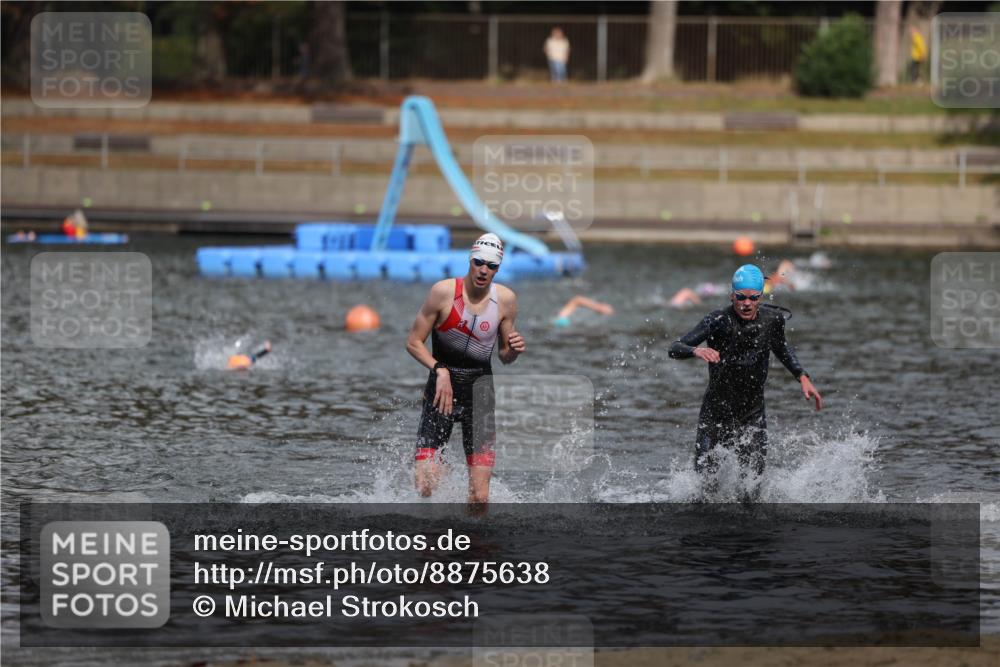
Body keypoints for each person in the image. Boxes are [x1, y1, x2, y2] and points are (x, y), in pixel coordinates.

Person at [669, 264, 822, 497]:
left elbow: (782, 349)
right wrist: (695, 351)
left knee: (751, 491)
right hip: (715, 414)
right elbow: (674, 348)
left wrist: (802, 376)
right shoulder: (717, 320)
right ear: (732, 295)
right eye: (740, 297)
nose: (746, 303)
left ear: (761, 296)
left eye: (753, 298)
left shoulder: (773, 320)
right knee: (704, 489)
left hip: (752, 414)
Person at [406, 233, 525, 507]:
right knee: (424, 485)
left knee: (480, 499)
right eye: (479, 262)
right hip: (441, 393)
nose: (484, 270)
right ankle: (442, 471)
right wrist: (440, 370)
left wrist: (514, 350)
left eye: (491, 265)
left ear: (498, 268)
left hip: (481, 396)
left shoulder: (506, 300)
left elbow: (505, 356)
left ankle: (472, 548)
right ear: (470, 260)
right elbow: (413, 342)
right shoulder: (443, 292)